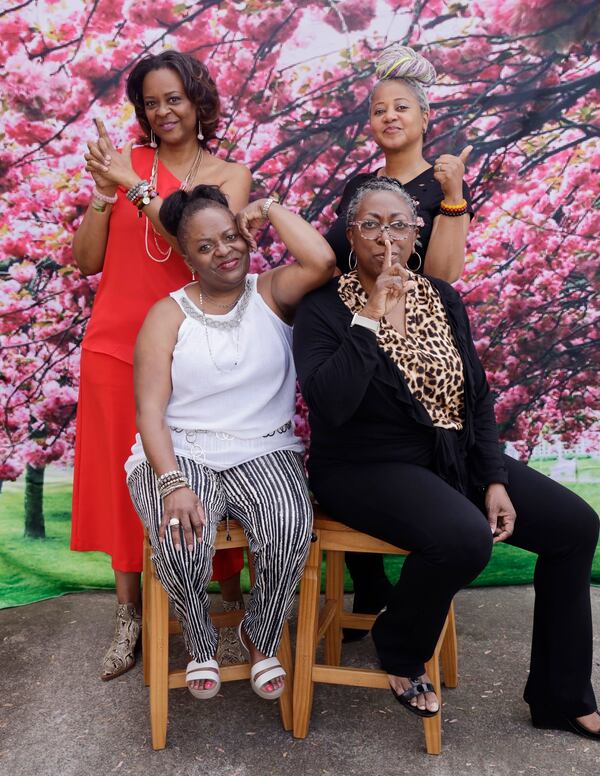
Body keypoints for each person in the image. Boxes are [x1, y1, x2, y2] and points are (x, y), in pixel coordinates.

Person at [293, 177, 600, 738]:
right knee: (463, 538)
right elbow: (330, 405)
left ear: (417, 234)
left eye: (400, 224)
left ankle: (560, 696)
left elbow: (476, 396)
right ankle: (400, 646)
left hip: (449, 457)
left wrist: (494, 478)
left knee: (576, 527)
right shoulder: (323, 309)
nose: (387, 236)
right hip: (363, 466)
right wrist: (373, 315)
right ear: (349, 233)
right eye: (372, 224)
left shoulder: (441, 297)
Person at [70, 50, 252, 681]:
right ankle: (129, 617)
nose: (162, 111)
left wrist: (136, 186)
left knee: (207, 475)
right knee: (125, 491)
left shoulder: (230, 173)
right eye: (150, 101)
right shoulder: (124, 164)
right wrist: (102, 194)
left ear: (198, 99)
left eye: (173, 97)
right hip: (113, 348)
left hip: (194, 349)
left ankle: (228, 609)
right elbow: (85, 262)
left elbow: (201, 245)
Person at [126, 184, 335, 699]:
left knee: (291, 524)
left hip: (265, 448)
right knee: (180, 533)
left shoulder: (272, 293)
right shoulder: (166, 315)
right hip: (184, 450)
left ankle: (259, 636)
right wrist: (172, 481)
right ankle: (201, 641)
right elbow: (149, 410)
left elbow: (323, 260)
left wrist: (265, 209)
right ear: (186, 256)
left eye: (230, 236)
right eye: (205, 246)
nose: (224, 251)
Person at [325, 45, 474, 637]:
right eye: (380, 109)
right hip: (359, 323)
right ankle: (371, 587)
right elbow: (334, 262)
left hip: (422, 328)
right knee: (353, 435)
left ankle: (419, 593)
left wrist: (455, 193)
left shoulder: (443, 183)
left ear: (424, 117)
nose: (391, 116)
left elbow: (442, 275)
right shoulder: (360, 189)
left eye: (402, 107)